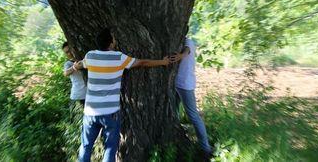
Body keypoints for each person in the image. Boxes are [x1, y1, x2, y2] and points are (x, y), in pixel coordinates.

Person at [73, 28, 177, 162]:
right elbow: (142, 63)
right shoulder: (118, 57)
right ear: (110, 44)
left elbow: (81, 64)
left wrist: (75, 66)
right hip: (110, 112)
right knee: (110, 148)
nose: (115, 40)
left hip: (90, 112)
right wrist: (163, 62)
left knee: (86, 146)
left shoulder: (90, 56)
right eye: (113, 38)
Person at [174, 29, 212, 157]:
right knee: (173, 112)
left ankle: (206, 148)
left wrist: (180, 56)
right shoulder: (179, 41)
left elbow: (186, 51)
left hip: (184, 84)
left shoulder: (188, 42)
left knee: (193, 116)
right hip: (178, 83)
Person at [63, 41, 87, 106]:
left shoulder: (83, 57)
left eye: (69, 50)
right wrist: (74, 67)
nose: (69, 53)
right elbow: (65, 73)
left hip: (90, 91)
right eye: (66, 52)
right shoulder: (68, 63)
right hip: (80, 94)